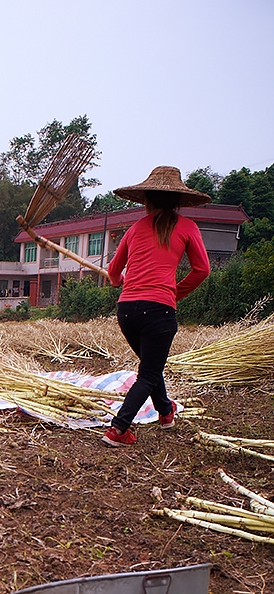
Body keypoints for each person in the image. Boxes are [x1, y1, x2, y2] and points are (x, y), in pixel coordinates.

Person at [102, 167, 211, 447]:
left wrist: (119, 281)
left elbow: (113, 272)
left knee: (152, 365)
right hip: (158, 311)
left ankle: (165, 411)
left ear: (147, 200)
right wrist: (174, 294)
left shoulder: (135, 229)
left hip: (127, 311)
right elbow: (202, 270)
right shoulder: (187, 227)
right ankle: (118, 428)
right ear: (177, 201)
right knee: (149, 373)